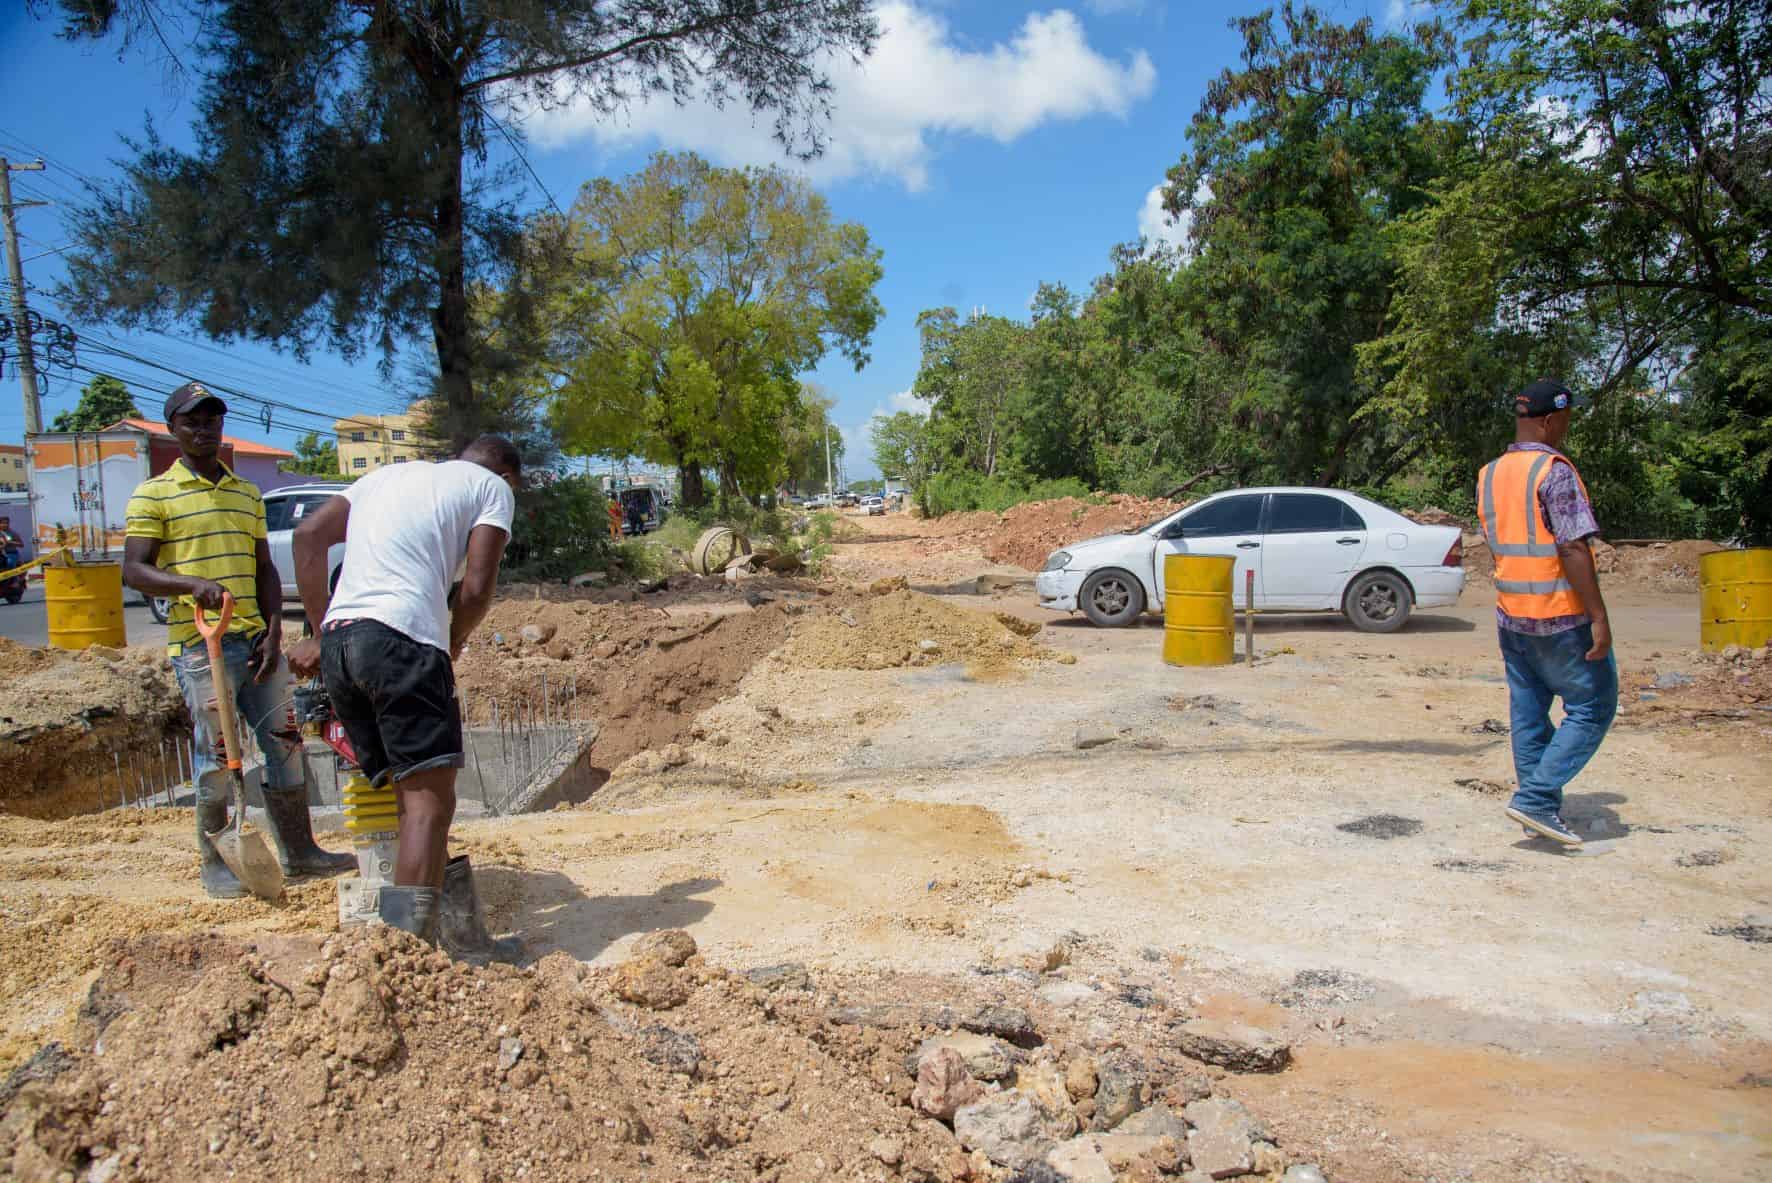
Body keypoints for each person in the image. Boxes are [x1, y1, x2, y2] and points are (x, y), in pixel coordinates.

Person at [286, 436, 520, 951]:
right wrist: (453, 638)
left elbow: (306, 537)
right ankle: (406, 956)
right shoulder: (491, 488)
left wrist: (323, 631)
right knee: (429, 807)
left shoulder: (384, 477)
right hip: (403, 640)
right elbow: (478, 587)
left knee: (407, 797)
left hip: (344, 643)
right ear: (506, 475)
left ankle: (423, 938)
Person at [122, 382, 354, 897]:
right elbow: (134, 571)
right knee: (216, 758)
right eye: (192, 422)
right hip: (200, 648)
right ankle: (217, 866)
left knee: (285, 744)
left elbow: (265, 570)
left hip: (255, 644)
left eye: (212, 421)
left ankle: (300, 854)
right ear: (172, 429)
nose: (204, 430)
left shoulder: (246, 493)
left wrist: (275, 630)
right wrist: (190, 586)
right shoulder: (153, 495)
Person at [1476, 379, 1618, 847]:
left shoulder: (1490, 474)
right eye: (1566, 420)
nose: (1566, 428)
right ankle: (1536, 798)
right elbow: (1572, 547)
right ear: (1549, 419)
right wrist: (1597, 615)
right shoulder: (1553, 472)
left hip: (1511, 614)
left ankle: (1538, 804)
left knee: (1529, 713)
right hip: (1560, 616)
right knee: (1593, 706)